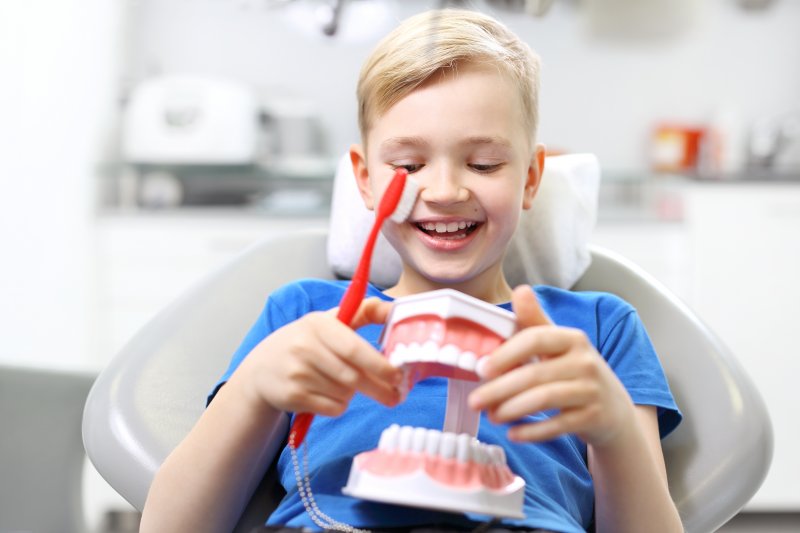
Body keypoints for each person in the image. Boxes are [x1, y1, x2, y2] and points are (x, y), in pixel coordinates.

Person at [140, 9, 683, 533]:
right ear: (366, 179)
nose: (445, 192)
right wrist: (255, 389)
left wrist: (615, 432)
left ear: (531, 178)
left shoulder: (597, 332)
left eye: (484, 164)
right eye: (408, 166)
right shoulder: (305, 318)